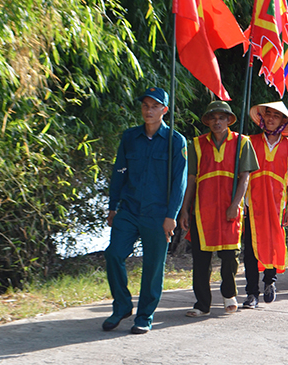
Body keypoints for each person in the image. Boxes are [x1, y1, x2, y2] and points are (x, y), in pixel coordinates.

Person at [103, 87, 188, 334]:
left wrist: (171, 216)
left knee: (153, 266)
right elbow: (119, 171)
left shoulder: (176, 141)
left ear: (165, 110)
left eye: (154, 106)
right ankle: (121, 306)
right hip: (128, 210)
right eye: (145, 106)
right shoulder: (130, 137)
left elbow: (179, 182)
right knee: (114, 254)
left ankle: (145, 316)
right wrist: (112, 205)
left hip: (158, 213)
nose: (148, 110)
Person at [179, 101, 259, 316]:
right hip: (202, 209)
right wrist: (184, 209)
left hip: (228, 208)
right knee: (201, 259)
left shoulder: (243, 143)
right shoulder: (196, 143)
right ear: (207, 121)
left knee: (229, 256)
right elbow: (191, 179)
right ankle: (202, 305)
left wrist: (235, 205)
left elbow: (245, 177)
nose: (217, 121)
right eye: (213, 117)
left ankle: (228, 294)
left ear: (228, 120)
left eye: (221, 117)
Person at [242, 102, 288, 309]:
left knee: (274, 245)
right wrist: (242, 201)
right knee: (250, 249)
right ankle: (251, 293)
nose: (272, 119)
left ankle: (269, 282)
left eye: (277, 116)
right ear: (262, 118)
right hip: (253, 203)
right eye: (269, 115)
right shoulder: (249, 142)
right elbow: (243, 174)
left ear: (283, 122)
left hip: (277, 203)